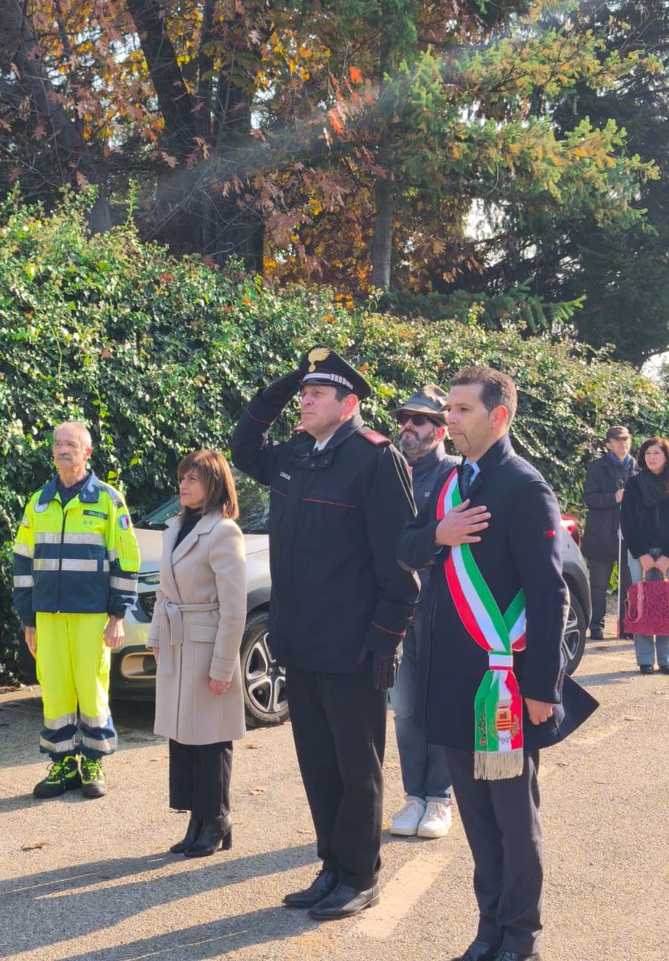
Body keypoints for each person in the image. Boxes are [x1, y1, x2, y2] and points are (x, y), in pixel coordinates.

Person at [399, 366, 597, 961]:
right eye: (450, 409)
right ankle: (488, 932)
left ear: (498, 416)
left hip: (505, 688)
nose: (448, 420)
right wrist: (441, 530)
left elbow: (550, 593)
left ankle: (520, 939)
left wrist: (544, 687)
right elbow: (404, 546)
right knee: (479, 823)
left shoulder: (525, 485)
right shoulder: (448, 482)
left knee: (514, 819)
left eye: (460, 410)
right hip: (454, 681)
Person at [231, 346, 418, 921]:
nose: (306, 399)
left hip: (354, 644)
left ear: (350, 403)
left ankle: (360, 874)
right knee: (317, 762)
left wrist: (386, 639)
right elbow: (242, 449)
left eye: (317, 392)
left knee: (356, 765)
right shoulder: (297, 452)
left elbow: (401, 563)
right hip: (301, 640)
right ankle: (332, 866)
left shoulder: (375, 459)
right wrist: (286, 383)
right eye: (304, 392)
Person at [12, 422, 140, 799]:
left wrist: (118, 615)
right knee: (54, 690)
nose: (62, 449)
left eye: (71, 444)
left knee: (91, 688)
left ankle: (93, 760)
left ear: (87, 453)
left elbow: (126, 559)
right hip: (48, 616)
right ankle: (63, 763)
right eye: (57, 444)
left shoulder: (107, 499)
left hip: (91, 615)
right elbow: (22, 563)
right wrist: (28, 620)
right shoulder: (38, 501)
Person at [148, 450, 247, 857]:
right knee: (182, 738)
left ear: (214, 484)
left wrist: (223, 665)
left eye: (193, 479)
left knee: (210, 740)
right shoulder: (175, 527)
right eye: (182, 477)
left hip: (206, 645)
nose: (183, 485)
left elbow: (234, 606)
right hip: (176, 642)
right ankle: (196, 819)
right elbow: (163, 592)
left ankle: (217, 817)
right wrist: (156, 639)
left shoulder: (224, 532)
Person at [389, 385, 459, 840]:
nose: (408, 427)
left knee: (439, 706)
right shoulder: (390, 472)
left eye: (418, 420)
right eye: (405, 420)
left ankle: (439, 798)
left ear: (439, 430)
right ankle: (414, 795)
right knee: (405, 709)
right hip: (397, 613)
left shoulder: (456, 474)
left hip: (442, 611)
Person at [619, 437, 669, 675]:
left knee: (665, 604)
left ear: (665, 456)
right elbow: (627, 521)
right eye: (648, 453)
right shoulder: (635, 484)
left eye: (656, 453)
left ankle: (666, 658)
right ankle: (645, 659)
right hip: (640, 552)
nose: (651, 457)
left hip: (666, 554)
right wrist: (641, 554)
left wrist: (666, 556)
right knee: (642, 601)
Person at [582, 425, 637, 639]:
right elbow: (590, 498)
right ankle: (596, 626)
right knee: (598, 584)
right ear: (608, 444)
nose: (622, 443)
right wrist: (614, 497)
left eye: (625, 439)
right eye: (616, 439)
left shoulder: (638, 467)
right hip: (601, 534)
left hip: (629, 536)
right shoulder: (597, 467)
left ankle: (626, 626)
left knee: (628, 584)